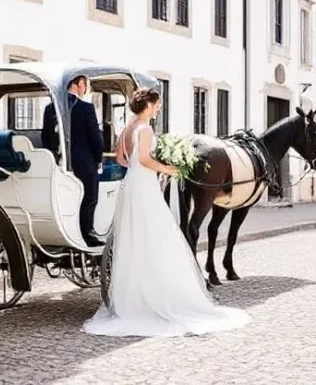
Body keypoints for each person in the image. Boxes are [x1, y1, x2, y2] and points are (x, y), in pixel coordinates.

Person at [82, 87, 251, 337]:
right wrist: (167, 169)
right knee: (157, 236)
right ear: (149, 105)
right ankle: (159, 295)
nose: (159, 107)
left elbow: (120, 159)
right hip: (144, 186)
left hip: (130, 185)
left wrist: (137, 170)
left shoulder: (128, 128)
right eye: (157, 104)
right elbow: (145, 159)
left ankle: (133, 295)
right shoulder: (146, 129)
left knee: (134, 238)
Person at [42, 75, 105, 247]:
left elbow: (45, 138)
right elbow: (95, 138)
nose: (86, 89)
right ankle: (87, 233)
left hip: (59, 163)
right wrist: (99, 159)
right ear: (78, 84)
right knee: (89, 197)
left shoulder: (49, 109)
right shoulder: (86, 108)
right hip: (84, 163)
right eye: (85, 85)